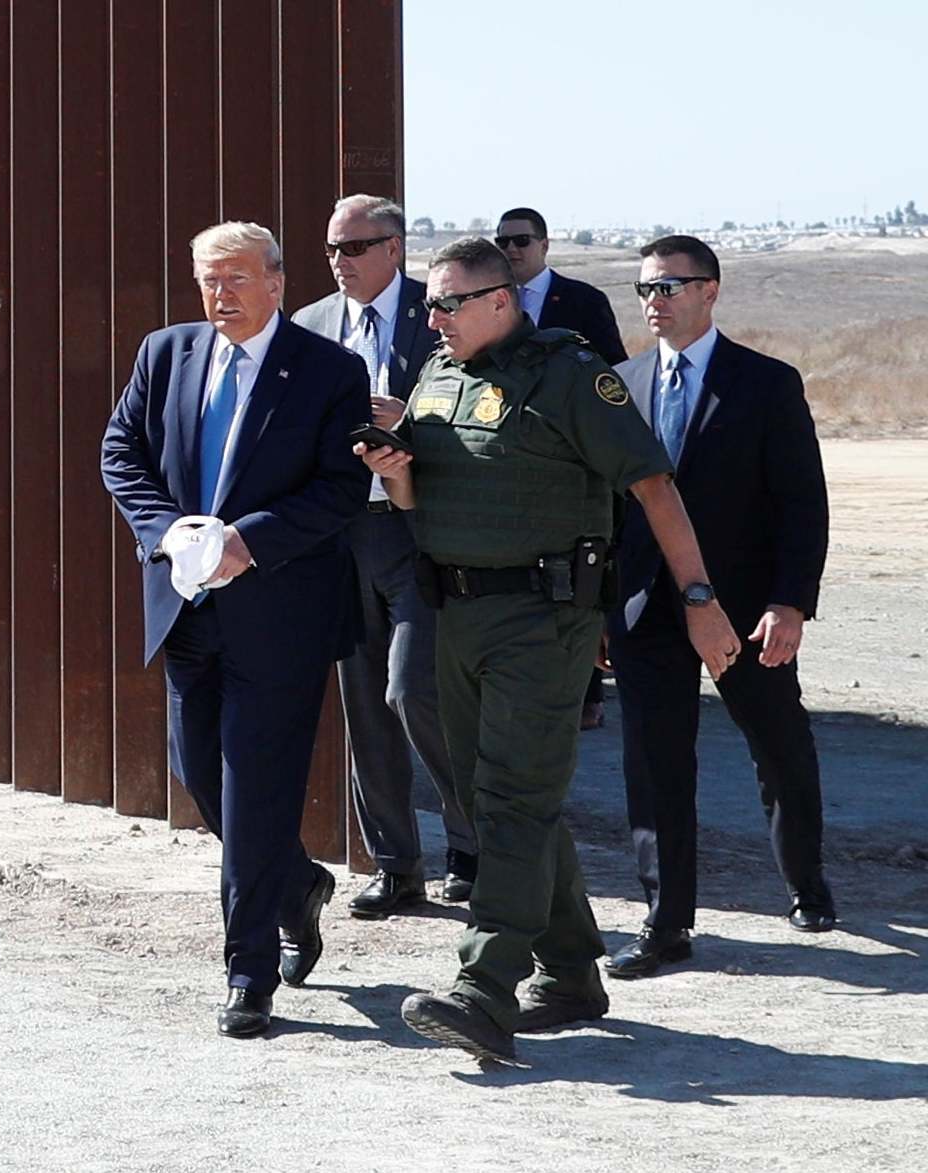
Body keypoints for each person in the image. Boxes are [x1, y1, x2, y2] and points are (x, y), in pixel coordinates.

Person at [357, 237, 741, 1064]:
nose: (432, 317)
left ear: (502, 300)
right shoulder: (438, 373)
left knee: (512, 799)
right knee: (490, 793)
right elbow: (427, 491)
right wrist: (394, 469)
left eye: (448, 303)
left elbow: (653, 485)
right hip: (455, 610)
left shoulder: (570, 372)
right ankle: (571, 970)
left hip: (545, 616)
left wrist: (700, 598)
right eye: (429, 302)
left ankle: (484, 987)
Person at [101, 221, 372, 1038]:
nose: (221, 295)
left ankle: (248, 970)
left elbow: (340, 489)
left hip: (280, 613)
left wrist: (247, 542)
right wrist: (168, 531)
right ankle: (295, 884)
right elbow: (123, 452)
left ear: (279, 281)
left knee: (257, 789)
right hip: (186, 605)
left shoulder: (330, 370)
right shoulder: (167, 353)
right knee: (200, 776)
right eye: (208, 281)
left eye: (237, 279)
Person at [604, 235, 835, 980]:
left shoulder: (765, 383)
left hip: (744, 612)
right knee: (655, 764)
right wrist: (602, 609)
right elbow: (606, 510)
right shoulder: (622, 384)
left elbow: (803, 504)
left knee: (779, 746)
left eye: (670, 286)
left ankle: (805, 880)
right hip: (647, 610)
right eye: (645, 288)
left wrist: (791, 603)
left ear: (711, 290)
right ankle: (666, 922)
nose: (654, 301)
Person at [291, 194, 478, 917]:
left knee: (414, 690)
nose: (340, 261)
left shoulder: (436, 317)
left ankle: (472, 842)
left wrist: (414, 424)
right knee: (364, 702)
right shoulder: (309, 326)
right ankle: (397, 864)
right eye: (332, 249)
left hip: (417, 531)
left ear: (394, 248)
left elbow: (477, 413)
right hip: (341, 536)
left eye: (355, 248)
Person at [495, 206, 629, 731]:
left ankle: (588, 691)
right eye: (503, 240)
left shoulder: (581, 301)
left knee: (580, 571)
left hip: (576, 453)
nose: (511, 250)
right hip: (511, 458)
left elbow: (611, 369)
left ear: (545, 245)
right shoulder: (492, 304)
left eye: (521, 241)